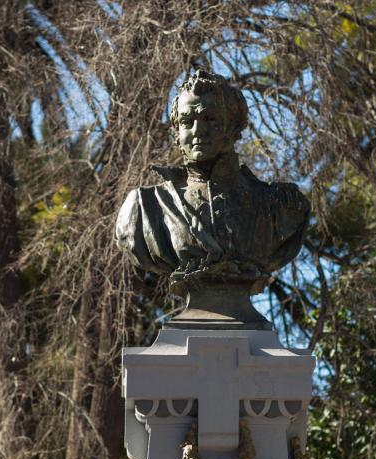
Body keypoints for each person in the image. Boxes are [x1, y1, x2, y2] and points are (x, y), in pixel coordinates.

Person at [115, 70, 309, 302]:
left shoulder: (277, 205)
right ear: (177, 133)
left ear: (234, 127)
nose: (197, 131)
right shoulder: (145, 209)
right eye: (187, 122)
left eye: (210, 119)